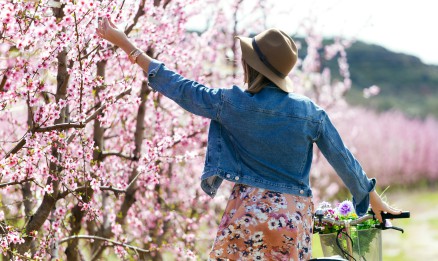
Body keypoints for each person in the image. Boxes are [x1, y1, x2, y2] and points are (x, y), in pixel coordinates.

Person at [96, 17, 402, 260]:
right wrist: (372, 199)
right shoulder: (310, 113)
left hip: (248, 214)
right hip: (292, 218)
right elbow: (342, 157)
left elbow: (180, 88)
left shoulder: (230, 103)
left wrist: (126, 44)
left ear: (250, 65)